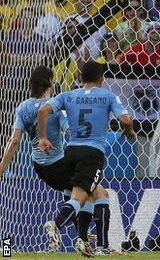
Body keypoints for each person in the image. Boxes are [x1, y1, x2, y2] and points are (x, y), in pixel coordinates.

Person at [38, 61, 136, 256]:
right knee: (80, 196)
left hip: (71, 151)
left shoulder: (68, 95)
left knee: (100, 194)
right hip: (92, 154)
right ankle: (56, 224)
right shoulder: (108, 96)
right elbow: (126, 120)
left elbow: (43, 111)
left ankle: (95, 244)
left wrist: (43, 138)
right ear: (101, 79)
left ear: (81, 78)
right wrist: (129, 132)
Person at [0, 66, 71, 252]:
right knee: (87, 191)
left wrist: (1, 169)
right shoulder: (55, 105)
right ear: (50, 82)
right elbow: (69, 130)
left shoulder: (23, 107)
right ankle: (60, 228)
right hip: (58, 162)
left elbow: (14, 141)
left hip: (39, 165)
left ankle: (7, 249)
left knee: (9, 214)